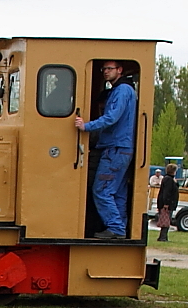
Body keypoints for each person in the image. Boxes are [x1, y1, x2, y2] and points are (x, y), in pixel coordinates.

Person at [75, 60, 138, 239]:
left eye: (110, 69)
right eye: (104, 69)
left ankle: (116, 229)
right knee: (117, 192)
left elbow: (112, 117)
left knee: (101, 190)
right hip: (121, 147)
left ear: (119, 70)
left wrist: (86, 126)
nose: (106, 72)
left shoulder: (122, 90)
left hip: (115, 148)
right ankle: (120, 228)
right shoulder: (124, 90)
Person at [156, 164, 179, 242]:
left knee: (165, 220)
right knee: (166, 220)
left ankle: (162, 236)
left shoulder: (168, 179)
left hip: (166, 203)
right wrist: (166, 203)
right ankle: (163, 237)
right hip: (167, 204)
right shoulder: (169, 179)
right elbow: (167, 192)